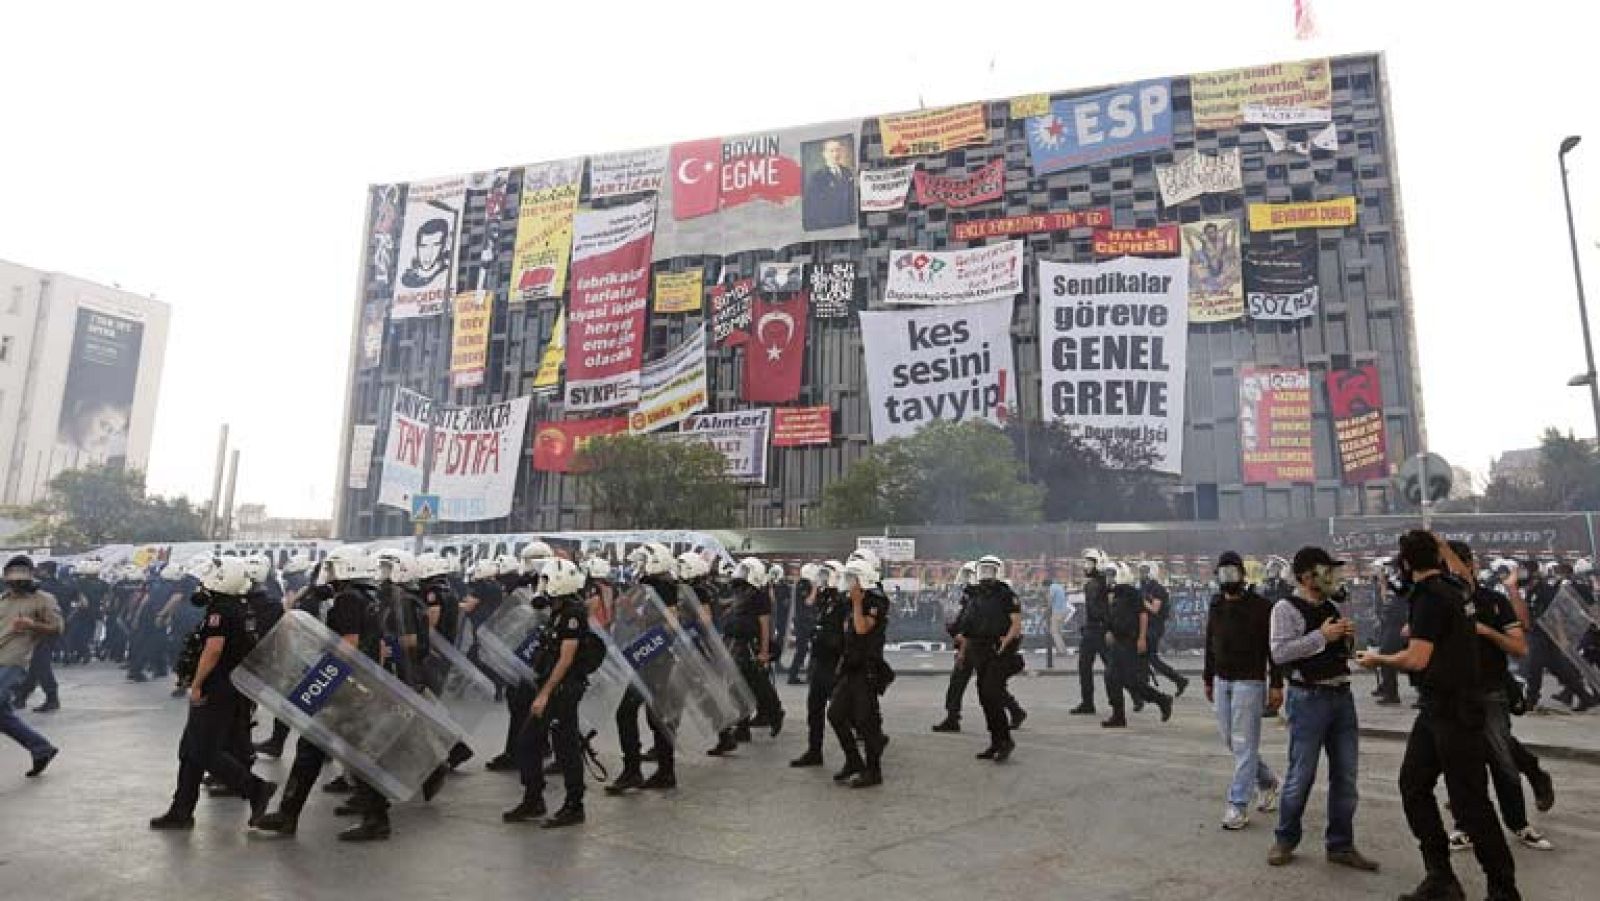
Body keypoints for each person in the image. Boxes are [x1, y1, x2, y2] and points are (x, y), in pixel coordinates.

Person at [1358, 532, 1519, 901]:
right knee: (1414, 785)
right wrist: (1440, 543)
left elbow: (1416, 659)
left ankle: (1504, 889)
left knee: (1470, 802)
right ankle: (1441, 879)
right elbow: (1463, 574)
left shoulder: (1431, 596)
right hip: (1437, 709)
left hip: (1453, 712)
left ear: (1405, 562)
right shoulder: (1457, 586)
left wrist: (1377, 660)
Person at [251, 547, 391, 841]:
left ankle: (376, 819)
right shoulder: (370, 598)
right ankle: (289, 814)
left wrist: (323, 674)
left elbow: (348, 643)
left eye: (333, 568)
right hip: (358, 684)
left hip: (344, 686)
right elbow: (376, 647)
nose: (329, 574)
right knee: (315, 749)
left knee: (347, 753)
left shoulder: (348, 600)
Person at [1266, 546, 1378, 871]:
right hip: (1308, 698)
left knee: (1346, 775)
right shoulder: (1284, 609)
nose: (1331, 577)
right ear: (1305, 576)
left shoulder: (1331, 606)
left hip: (1341, 695)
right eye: (1324, 571)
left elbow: (1341, 653)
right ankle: (1285, 839)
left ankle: (1341, 845)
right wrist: (1322, 636)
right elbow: (1280, 653)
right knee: (1301, 774)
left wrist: (1347, 640)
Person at [1438, 542, 1553, 853]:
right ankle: (1465, 826)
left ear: (1470, 565)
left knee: (1502, 761)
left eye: (1456, 564)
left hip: (1490, 691)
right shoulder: (1440, 602)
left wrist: (1487, 632)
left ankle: (1519, 823)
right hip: (1452, 695)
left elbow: (1519, 646)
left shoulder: (1493, 601)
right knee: (1460, 765)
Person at [149, 556, 277, 830]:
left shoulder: (221, 610)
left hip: (216, 687)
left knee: (204, 751)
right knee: (190, 750)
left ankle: (255, 789)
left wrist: (196, 684)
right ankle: (181, 809)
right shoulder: (243, 607)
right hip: (232, 688)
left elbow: (214, 649)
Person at [504, 559, 595, 829]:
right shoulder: (557, 610)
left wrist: (544, 694)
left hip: (563, 689)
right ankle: (534, 799)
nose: (540, 586)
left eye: (545, 581)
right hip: (551, 687)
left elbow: (565, 660)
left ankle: (574, 805)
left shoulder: (572, 614)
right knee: (527, 742)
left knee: (566, 747)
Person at [1203, 551, 1282, 831]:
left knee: (1244, 744)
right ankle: (1267, 780)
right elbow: (1210, 642)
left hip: (1250, 681)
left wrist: (1276, 683)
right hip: (1223, 680)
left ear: (1243, 575)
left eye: (1232, 573)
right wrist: (1208, 678)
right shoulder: (1216, 605)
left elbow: (1274, 649)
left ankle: (1237, 805)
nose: (1228, 578)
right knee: (1231, 742)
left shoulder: (1262, 607)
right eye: (1223, 573)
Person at [607, 542, 682, 793]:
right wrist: (631, 612)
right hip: (646, 657)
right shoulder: (649, 587)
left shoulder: (665, 587)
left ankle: (654, 771)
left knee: (654, 716)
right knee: (643, 714)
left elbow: (671, 623)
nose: (637, 566)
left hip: (658, 660)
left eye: (642, 561)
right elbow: (649, 622)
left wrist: (638, 614)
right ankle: (647, 770)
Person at [707, 556, 785, 755]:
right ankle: (742, 729)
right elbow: (731, 608)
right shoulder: (740, 591)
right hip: (734, 644)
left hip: (750, 646)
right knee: (736, 688)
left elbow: (765, 625)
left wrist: (764, 652)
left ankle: (775, 713)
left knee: (759, 685)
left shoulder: (760, 596)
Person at [827, 559, 891, 788]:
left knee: (866, 721)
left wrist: (856, 604)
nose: (850, 583)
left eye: (854, 578)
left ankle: (874, 771)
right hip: (850, 667)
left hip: (867, 669)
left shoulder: (876, 600)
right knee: (835, 714)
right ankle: (853, 760)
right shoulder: (848, 601)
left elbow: (862, 628)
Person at [0, 555, 63, 777]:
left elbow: (57, 628)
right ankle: (40, 748)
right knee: (3, 715)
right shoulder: (4, 599)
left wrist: (31, 624)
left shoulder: (43, 599)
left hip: (14, 660)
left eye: (21, 573)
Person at [958, 556, 1023, 762]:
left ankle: (1005, 741)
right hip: (978, 648)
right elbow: (968, 627)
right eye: (983, 570)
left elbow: (1015, 622)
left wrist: (1006, 641)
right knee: (985, 697)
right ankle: (996, 741)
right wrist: (962, 651)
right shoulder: (975, 595)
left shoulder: (1005, 594)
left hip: (998, 649)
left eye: (991, 570)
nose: (986, 574)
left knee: (991, 692)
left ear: (998, 572)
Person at [1102, 562, 1173, 728]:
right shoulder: (1113, 594)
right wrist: (1108, 631)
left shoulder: (1132, 593)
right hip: (1117, 641)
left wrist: (1141, 638)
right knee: (1111, 677)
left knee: (1132, 681)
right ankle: (1118, 716)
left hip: (1130, 641)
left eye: (1114, 575)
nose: (1110, 579)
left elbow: (1143, 615)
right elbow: (1111, 617)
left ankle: (1162, 700)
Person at [791, 561, 847, 768]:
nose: (822, 578)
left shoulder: (843, 601)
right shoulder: (825, 598)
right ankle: (814, 751)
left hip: (835, 661)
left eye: (826, 575)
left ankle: (855, 756)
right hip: (820, 659)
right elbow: (811, 607)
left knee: (841, 712)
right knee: (814, 708)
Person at [11, 560, 65, 712]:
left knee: (41, 666)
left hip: (41, 632)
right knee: (35, 667)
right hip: (47, 630)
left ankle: (52, 699)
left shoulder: (39, 590)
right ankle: (21, 697)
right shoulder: (57, 586)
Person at [1069, 549, 1113, 716]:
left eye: (1089, 563)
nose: (1085, 566)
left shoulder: (1095, 584)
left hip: (1096, 630)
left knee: (1090, 667)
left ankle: (1088, 703)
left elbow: (1098, 609)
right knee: (1105, 666)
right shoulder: (1103, 582)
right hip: (1097, 629)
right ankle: (1138, 695)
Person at [1139, 562, 1188, 697]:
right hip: (1147, 626)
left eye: (1145, 571)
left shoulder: (1157, 589)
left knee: (1151, 659)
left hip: (1154, 627)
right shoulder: (1144, 587)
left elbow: (1155, 609)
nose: (1142, 575)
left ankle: (1178, 680)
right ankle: (1177, 680)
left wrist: (1141, 601)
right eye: (1141, 571)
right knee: (1146, 658)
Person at [1373, 561, 1409, 705]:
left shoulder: (1401, 582)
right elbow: (1384, 601)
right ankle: (1387, 688)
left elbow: (1392, 599)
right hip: (1390, 623)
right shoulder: (1391, 582)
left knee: (1386, 654)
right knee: (1384, 655)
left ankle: (1391, 693)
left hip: (1398, 624)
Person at [802, 136, 856, 230]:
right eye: (831, 151)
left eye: (838, 150)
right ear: (824, 154)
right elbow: (814, 207)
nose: (835, 154)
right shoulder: (817, 177)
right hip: (829, 226)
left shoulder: (848, 172)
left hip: (848, 223)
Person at [786, 564, 819, 685]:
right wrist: (815, 588)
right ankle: (792, 675)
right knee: (802, 649)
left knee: (810, 649)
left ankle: (809, 674)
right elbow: (809, 601)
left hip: (807, 621)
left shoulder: (804, 584)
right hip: (803, 622)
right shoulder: (803, 584)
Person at [400, 217, 451, 289]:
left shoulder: (447, 272)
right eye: (423, 246)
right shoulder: (408, 278)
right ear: (416, 247)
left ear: (445, 246)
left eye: (436, 245)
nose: (428, 254)